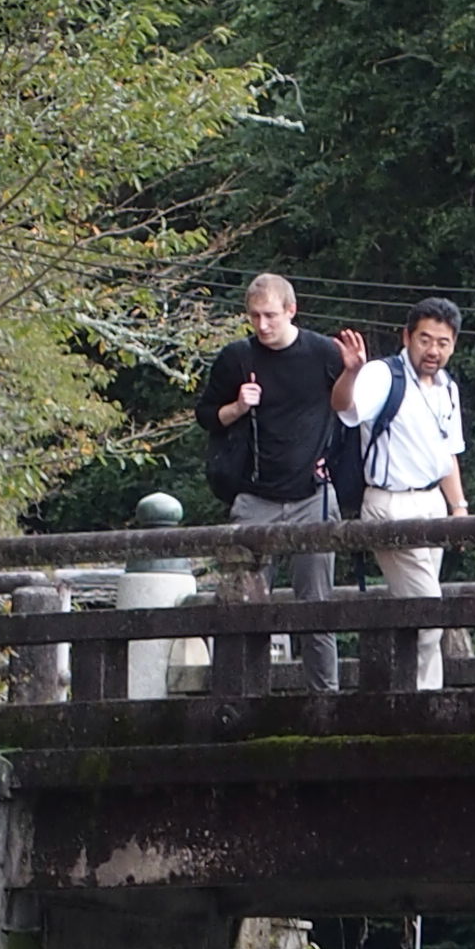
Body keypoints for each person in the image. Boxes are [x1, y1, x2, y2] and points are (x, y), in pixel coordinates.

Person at [193, 271, 350, 691]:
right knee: (242, 604)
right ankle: (243, 695)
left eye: (270, 316)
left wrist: (352, 371)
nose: (262, 326)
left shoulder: (322, 353)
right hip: (255, 496)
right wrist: (237, 407)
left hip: (311, 496)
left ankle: (325, 698)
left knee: (316, 607)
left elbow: (351, 411)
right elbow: (207, 416)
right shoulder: (236, 358)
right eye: (254, 316)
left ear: (291, 311)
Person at [339, 294, 468, 691]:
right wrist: (351, 374)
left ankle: (414, 699)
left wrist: (458, 507)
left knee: (417, 612)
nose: (433, 350)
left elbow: (447, 454)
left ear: (453, 345)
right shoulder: (382, 375)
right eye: (425, 339)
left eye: (443, 343)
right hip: (389, 503)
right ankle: (418, 701)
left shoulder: (447, 388)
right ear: (407, 336)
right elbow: (345, 408)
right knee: (428, 612)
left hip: (432, 502)